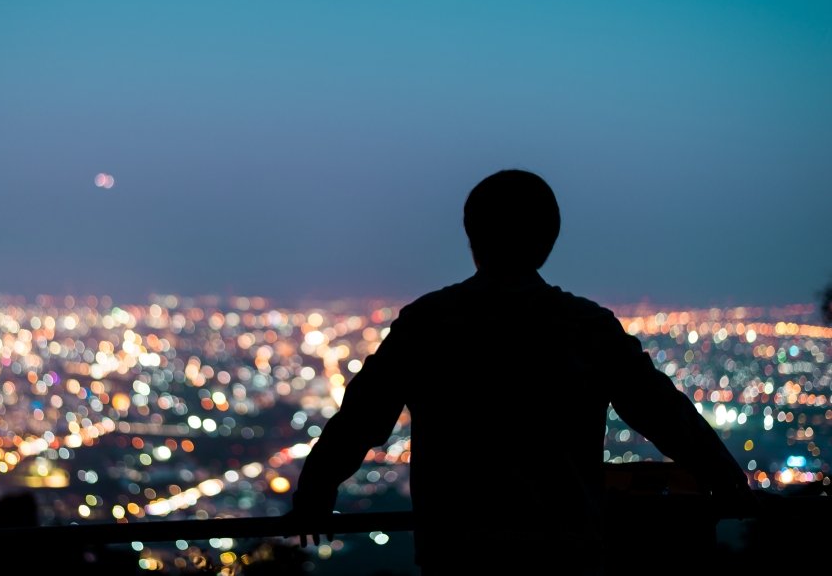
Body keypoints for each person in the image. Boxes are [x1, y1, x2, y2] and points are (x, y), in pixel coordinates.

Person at [290, 169, 752, 574]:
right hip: (566, 551)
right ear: (549, 240)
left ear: (471, 236)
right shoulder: (585, 327)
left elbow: (362, 418)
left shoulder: (429, 324)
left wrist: (316, 484)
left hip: (458, 554)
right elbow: (660, 410)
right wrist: (722, 474)